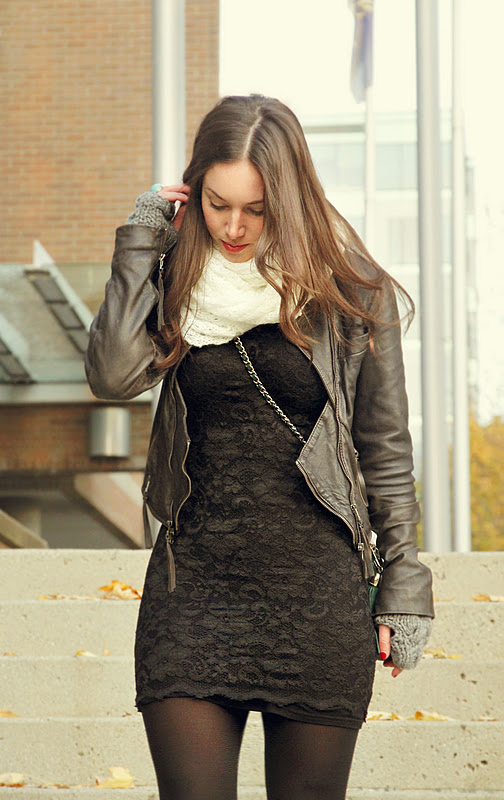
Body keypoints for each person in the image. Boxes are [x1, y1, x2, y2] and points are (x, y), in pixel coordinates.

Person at [86, 94, 434, 800]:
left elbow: (385, 447)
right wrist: (142, 238)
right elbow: (113, 375)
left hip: (317, 599)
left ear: (292, 202)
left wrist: (404, 582)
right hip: (192, 592)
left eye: (257, 210)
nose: (235, 227)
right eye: (218, 205)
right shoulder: (174, 283)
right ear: (195, 193)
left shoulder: (351, 295)